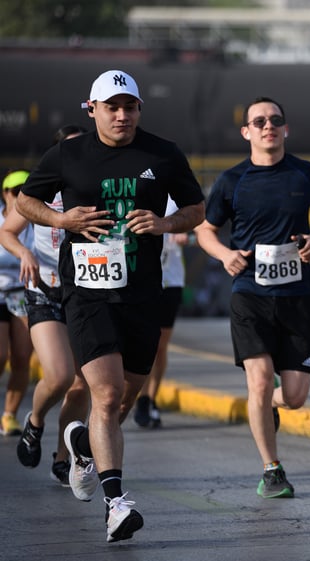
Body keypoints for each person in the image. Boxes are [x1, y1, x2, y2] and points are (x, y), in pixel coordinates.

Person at [17, 70, 205, 543]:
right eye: (112, 107)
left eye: (130, 107)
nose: (122, 116)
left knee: (123, 399)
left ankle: (83, 449)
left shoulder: (162, 153)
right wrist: (61, 217)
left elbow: (196, 210)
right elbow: (24, 201)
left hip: (143, 292)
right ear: (92, 109)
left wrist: (163, 224)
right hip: (86, 291)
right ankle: (116, 505)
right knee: (104, 393)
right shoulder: (68, 153)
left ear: (140, 109)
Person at [195, 96, 310, 499]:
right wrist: (226, 255)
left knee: (294, 397)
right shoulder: (231, 180)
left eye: (275, 120)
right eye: (258, 121)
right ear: (246, 132)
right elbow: (206, 230)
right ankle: (272, 470)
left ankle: (268, 402)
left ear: (286, 129)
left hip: (296, 296)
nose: (267, 126)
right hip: (250, 295)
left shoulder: (305, 173)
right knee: (257, 381)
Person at [1, 125, 92, 487]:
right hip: (45, 290)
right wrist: (25, 253)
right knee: (57, 375)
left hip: (85, 293)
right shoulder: (41, 188)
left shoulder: (97, 186)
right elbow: (7, 231)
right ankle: (34, 420)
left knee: (82, 384)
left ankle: (63, 456)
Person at [134, 196, 188, 429]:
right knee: (142, 343)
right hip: (141, 280)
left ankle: (148, 399)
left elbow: (194, 218)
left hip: (170, 280)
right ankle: (137, 394)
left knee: (160, 346)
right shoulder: (138, 188)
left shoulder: (176, 196)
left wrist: (185, 230)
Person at [0, 170, 34, 437]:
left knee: (22, 358)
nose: (20, 195)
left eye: (26, 190)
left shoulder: (36, 223)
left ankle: (9, 414)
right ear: (5, 193)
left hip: (24, 292)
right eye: (15, 190)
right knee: (0, 356)